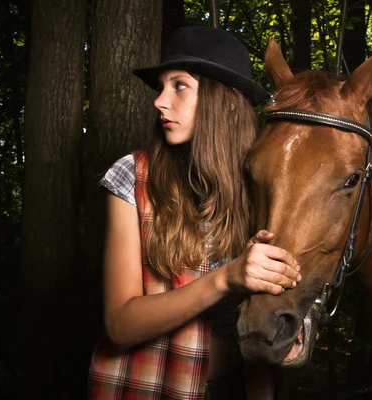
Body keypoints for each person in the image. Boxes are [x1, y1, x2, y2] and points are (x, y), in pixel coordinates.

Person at [88, 25, 301, 400]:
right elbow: (119, 325)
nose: (159, 101)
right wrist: (225, 279)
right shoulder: (133, 177)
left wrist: (293, 334)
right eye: (162, 86)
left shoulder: (266, 187)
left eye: (180, 85)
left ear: (228, 102)